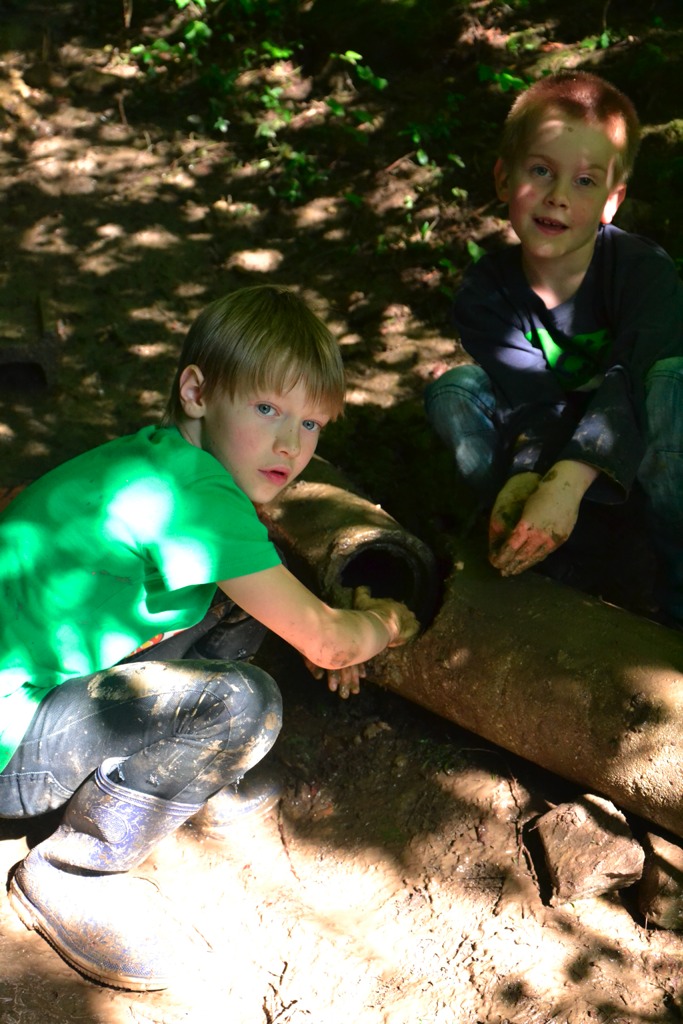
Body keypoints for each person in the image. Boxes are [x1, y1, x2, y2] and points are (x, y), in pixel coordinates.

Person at [0, 284, 419, 991]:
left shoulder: (161, 462)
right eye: (267, 409)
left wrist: (327, 629)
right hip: (10, 745)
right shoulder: (198, 500)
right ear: (196, 392)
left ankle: (181, 781)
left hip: (26, 697)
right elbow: (329, 644)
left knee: (244, 591)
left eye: (311, 423)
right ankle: (74, 871)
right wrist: (382, 624)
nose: (290, 444)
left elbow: (283, 606)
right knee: (241, 704)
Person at [425, 69, 683, 627]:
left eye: (585, 181)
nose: (558, 197)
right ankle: (542, 556)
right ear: (504, 177)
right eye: (541, 170)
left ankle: (675, 592)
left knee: (672, 383)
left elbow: (630, 391)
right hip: (548, 460)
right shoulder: (486, 294)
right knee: (455, 391)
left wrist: (569, 479)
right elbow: (531, 400)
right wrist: (525, 476)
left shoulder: (643, 273)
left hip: (646, 470)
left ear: (612, 202)